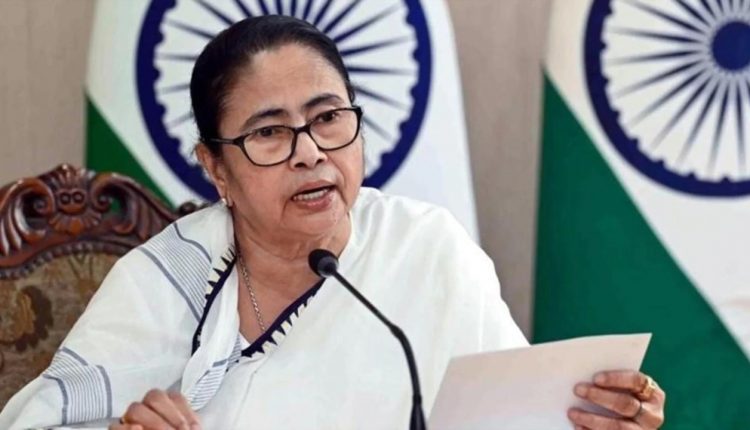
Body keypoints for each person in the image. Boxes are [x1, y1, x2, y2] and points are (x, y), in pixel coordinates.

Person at [0, 15, 665, 430]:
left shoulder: (425, 247)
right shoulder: (164, 281)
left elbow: (518, 416)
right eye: (269, 132)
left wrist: (599, 419)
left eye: (327, 118)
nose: (311, 152)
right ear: (216, 169)